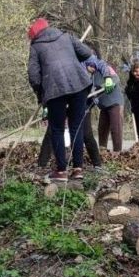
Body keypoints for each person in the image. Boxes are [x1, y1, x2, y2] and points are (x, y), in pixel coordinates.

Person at [28, 18, 93, 182]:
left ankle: (62, 171)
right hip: (79, 84)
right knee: (76, 127)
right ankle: (78, 169)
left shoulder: (36, 46)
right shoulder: (66, 36)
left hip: (54, 89)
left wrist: (40, 94)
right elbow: (86, 53)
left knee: (56, 129)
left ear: (34, 35)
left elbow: (34, 76)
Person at [82, 47, 124, 152]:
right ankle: (102, 150)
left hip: (114, 102)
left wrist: (103, 85)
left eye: (91, 64)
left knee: (115, 128)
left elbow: (115, 79)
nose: (90, 67)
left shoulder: (105, 68)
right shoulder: (90, 76)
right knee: (102, 128)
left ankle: (117, 152)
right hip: (103, 106)